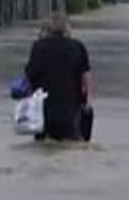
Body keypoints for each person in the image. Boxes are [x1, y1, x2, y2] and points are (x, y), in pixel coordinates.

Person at [24, 13, 93, 142]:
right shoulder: (78, 47)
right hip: (70, 111)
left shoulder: (38, 47)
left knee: (42, 147)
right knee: (71, 147)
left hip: (43, 112)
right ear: (67, 28)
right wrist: (87, 104)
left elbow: (29, 78)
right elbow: (86, 82)